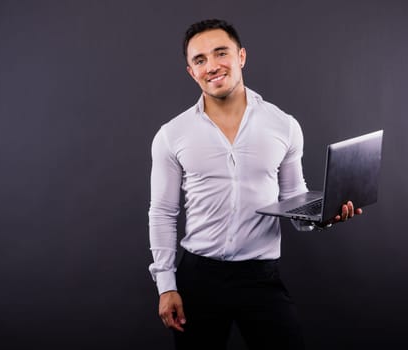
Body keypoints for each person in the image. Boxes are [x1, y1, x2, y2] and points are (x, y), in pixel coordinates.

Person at [148, 19, 362, 350]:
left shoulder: (284, 125)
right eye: (200, 60)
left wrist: (322, 216)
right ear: (191, 71)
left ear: (241, 57)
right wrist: (166, 284)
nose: (212, 66)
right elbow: (162, 211)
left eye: (221, 53)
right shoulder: (171, 134)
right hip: (198, 278)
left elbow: (293, 198)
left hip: (261, 277)